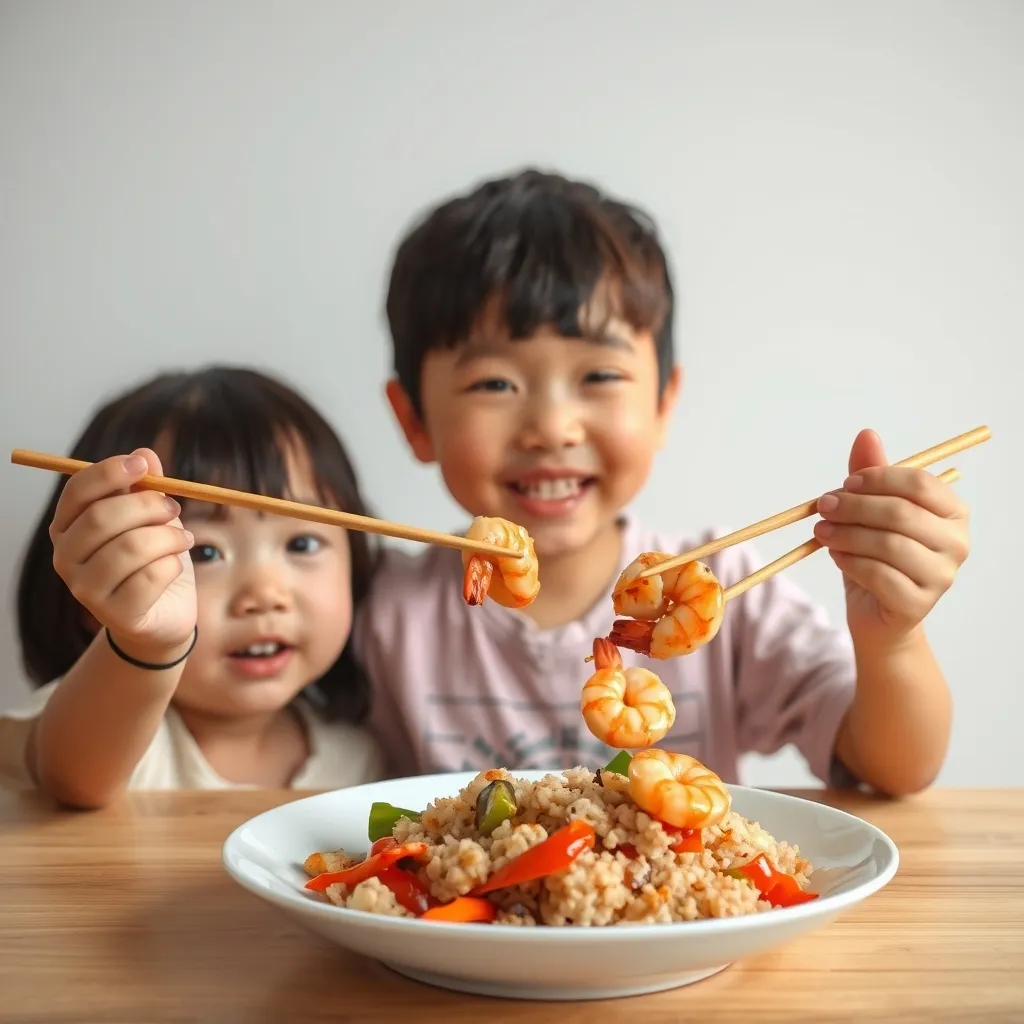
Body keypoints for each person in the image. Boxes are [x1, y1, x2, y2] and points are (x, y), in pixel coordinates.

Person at [355, 168, 969, 796]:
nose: (552, 428)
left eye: (598, 376)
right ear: (414, 419)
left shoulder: (725, 587)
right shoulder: (379, 614)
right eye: (494, 384)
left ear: (663, 405)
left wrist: (890, 637)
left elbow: (896, 767)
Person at [0, 366, 383, 804]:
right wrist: (149, 645)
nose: (264, 595)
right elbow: (73, 780)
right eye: (204, 552)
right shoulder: (92, 725)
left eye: (302, 542)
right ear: (94, 590)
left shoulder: (359, 759)